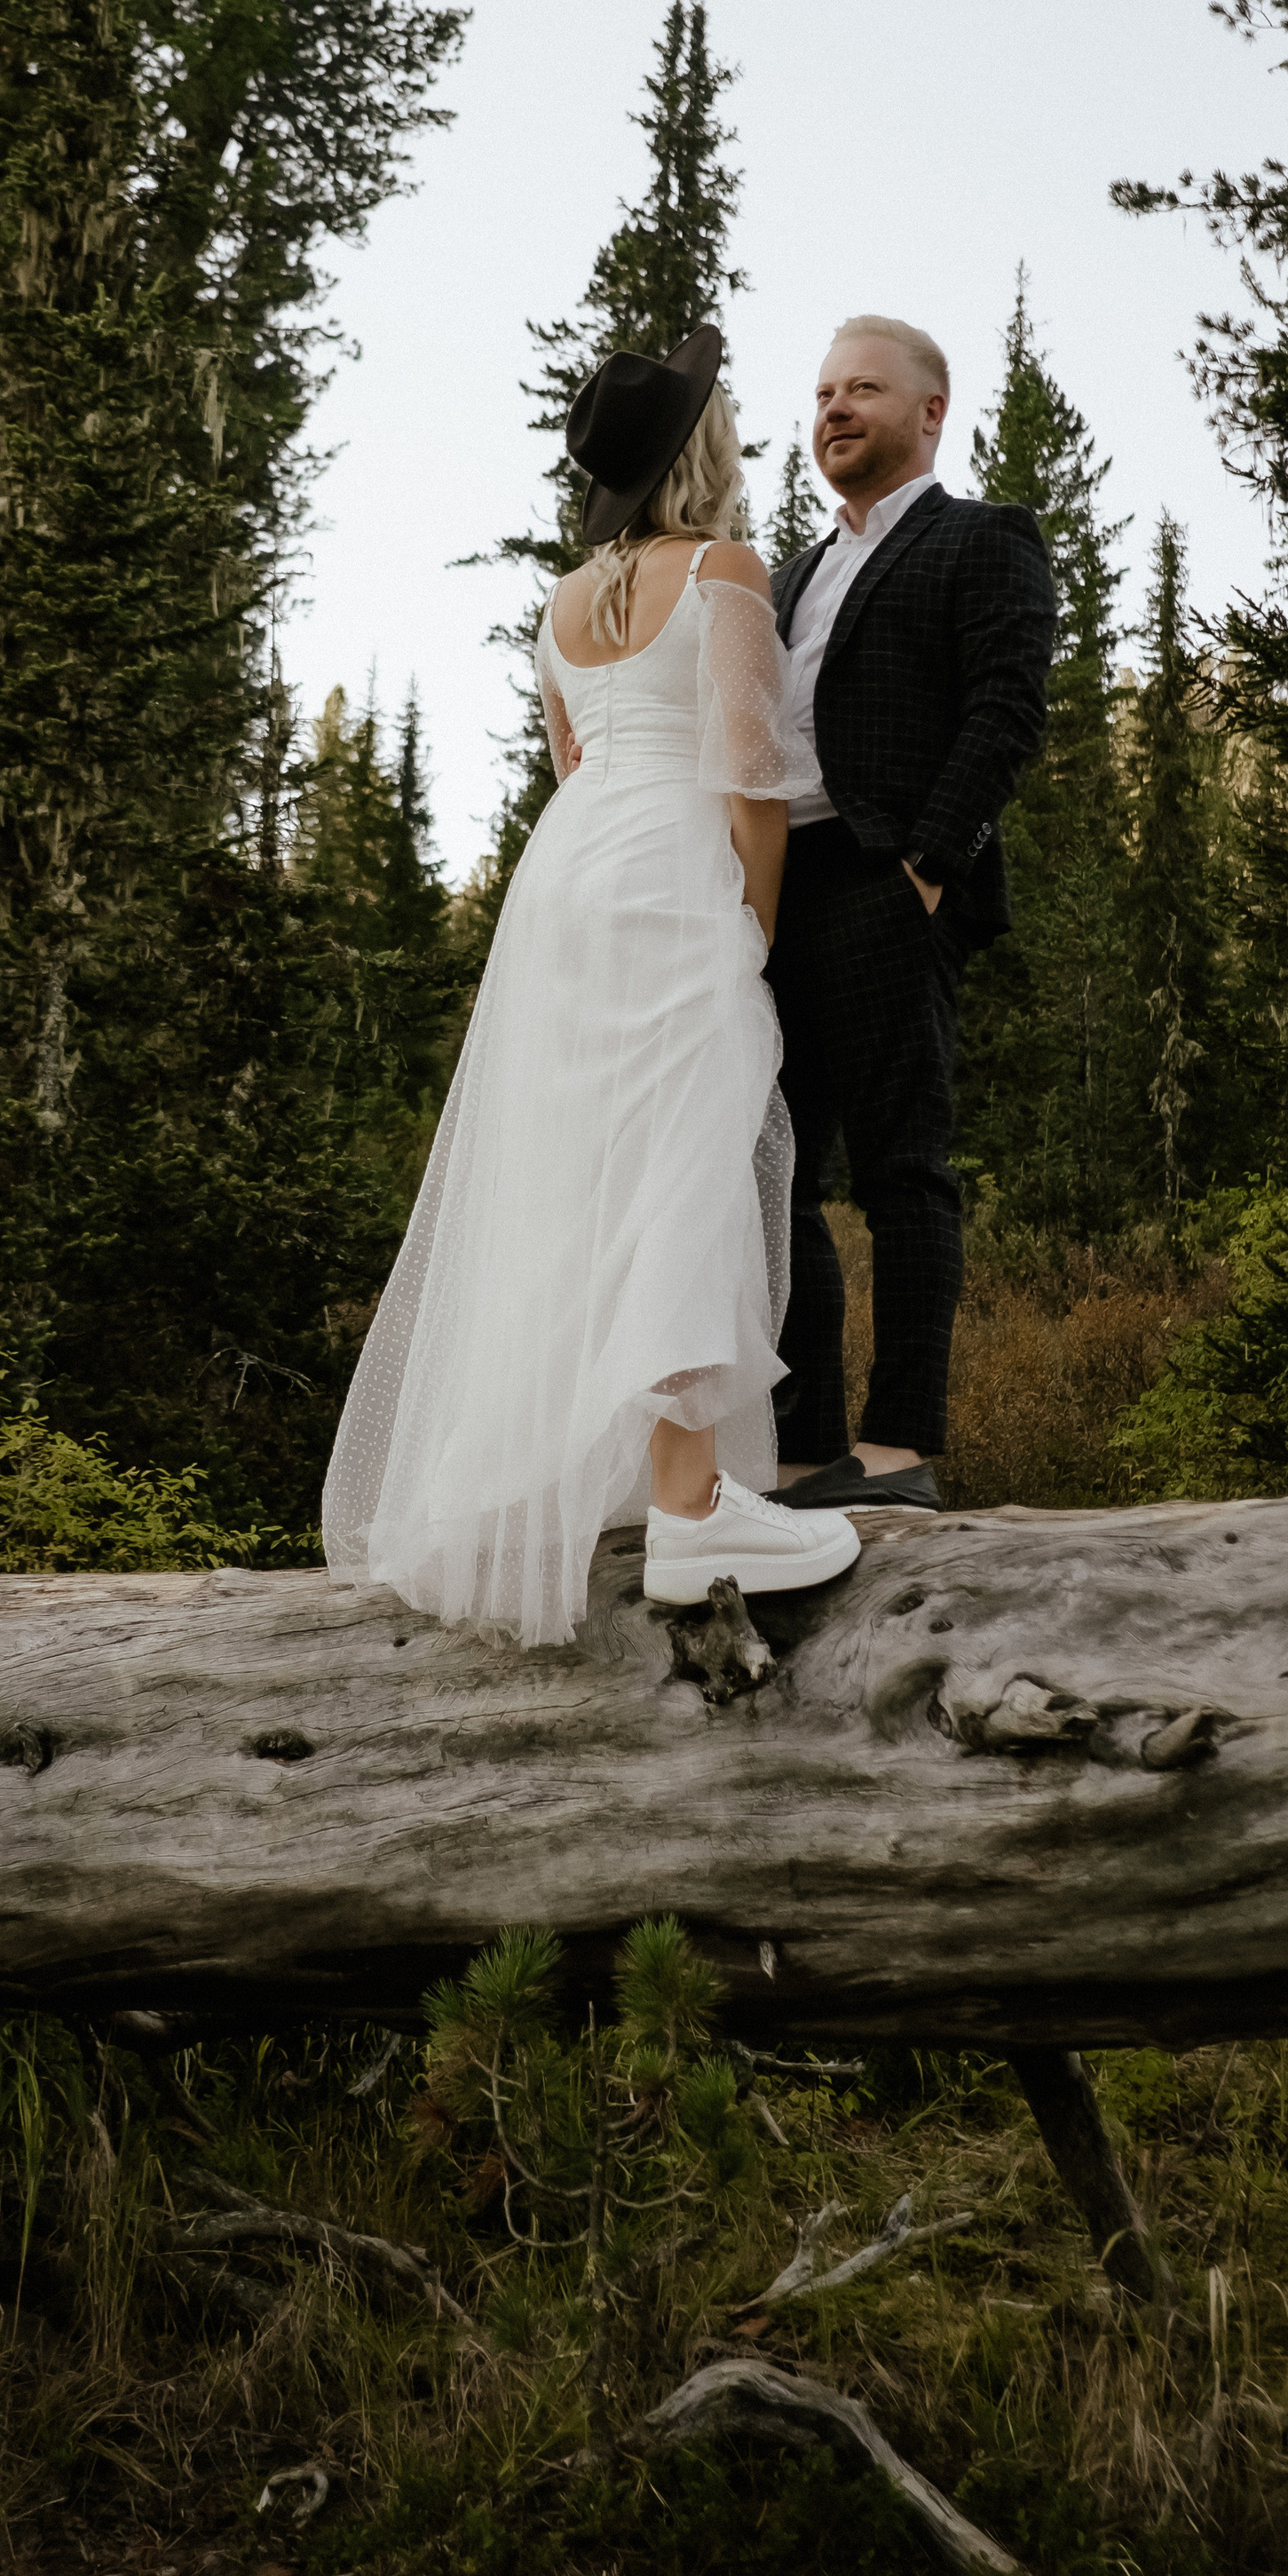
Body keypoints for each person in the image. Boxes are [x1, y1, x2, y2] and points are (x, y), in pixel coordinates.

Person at [322, 325, 860, 1645]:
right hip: (674, 876)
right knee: (686, 1158)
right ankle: (688, 1506)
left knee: (583, 1174)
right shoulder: (725, 570)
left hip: (566, 884)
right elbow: (752, 781)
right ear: (705, 453)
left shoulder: (560, 603)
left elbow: (576, 761)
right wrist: (753, 940)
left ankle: (584, 1482)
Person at [766, 315, 1055, 1512]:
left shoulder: (982, 539)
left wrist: (929, 867)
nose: (836, 409)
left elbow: (1006, 711)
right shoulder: (782, 574)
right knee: (770, 1180)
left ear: (929, 412)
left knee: (902, 1172)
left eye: (865, 390)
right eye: (825, 391)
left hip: (887, 883)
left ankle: (897, 1454)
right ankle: (797, 1454)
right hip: (771, 897)